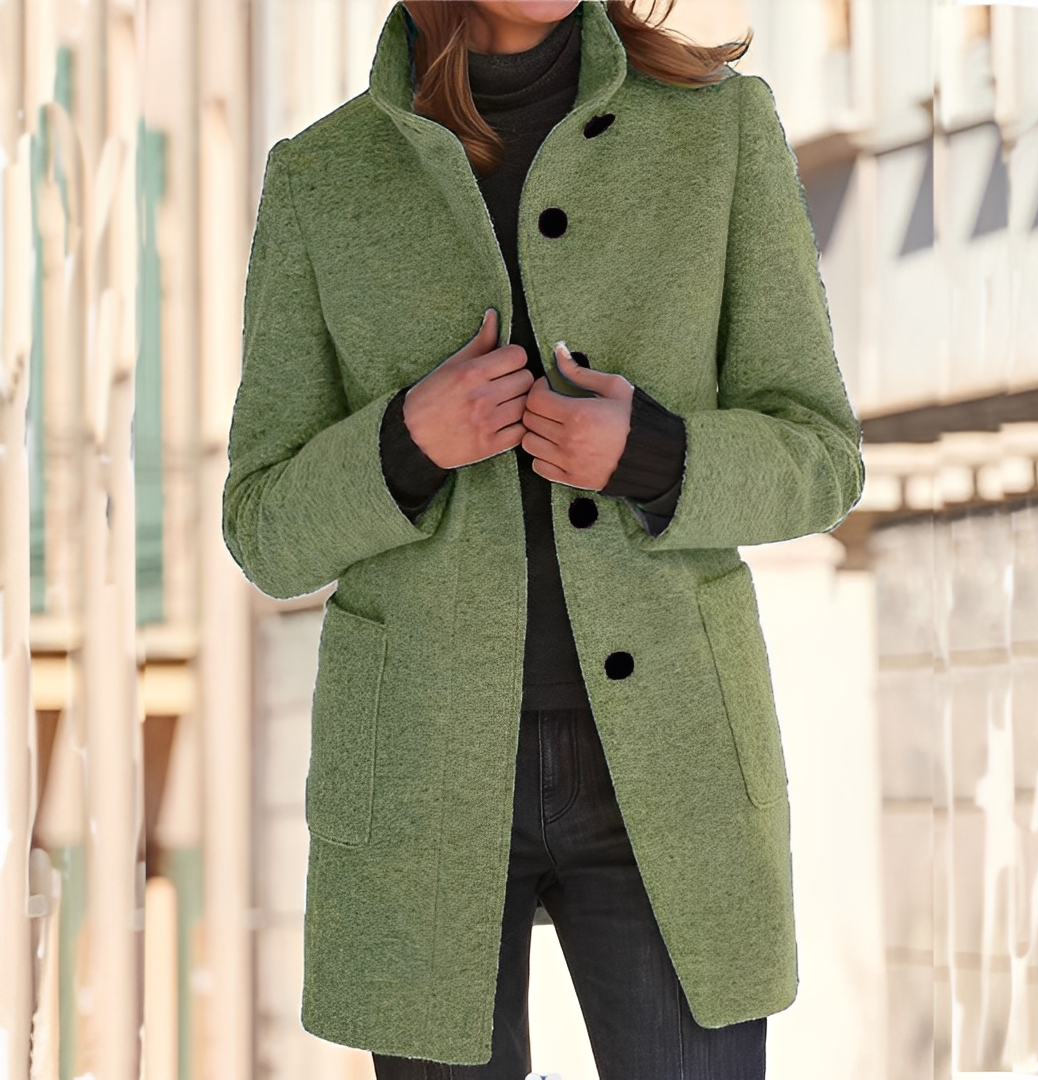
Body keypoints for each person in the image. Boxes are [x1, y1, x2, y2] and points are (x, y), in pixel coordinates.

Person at [223, 1, 864, 1077]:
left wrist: (657, 455)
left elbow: (823, 458)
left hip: (673, 760)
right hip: (420, 776)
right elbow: (263, 527)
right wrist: (403, 444)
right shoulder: (323, 178)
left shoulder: (718, 130)